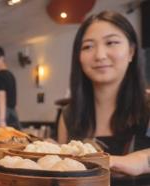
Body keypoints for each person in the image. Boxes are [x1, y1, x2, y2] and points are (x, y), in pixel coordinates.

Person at [58, 11, 150, 176]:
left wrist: (139, 160)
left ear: (131, 52)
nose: (100, 55)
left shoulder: (148, 106)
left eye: (112, 42)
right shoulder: (69, 116)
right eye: (88, 46)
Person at [0, 46, 21, 129]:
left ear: (1, 58)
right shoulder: (11, 75)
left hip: (2, 115)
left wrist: (1, 120)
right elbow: (14, 101)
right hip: (13, 115)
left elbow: (1, 96)